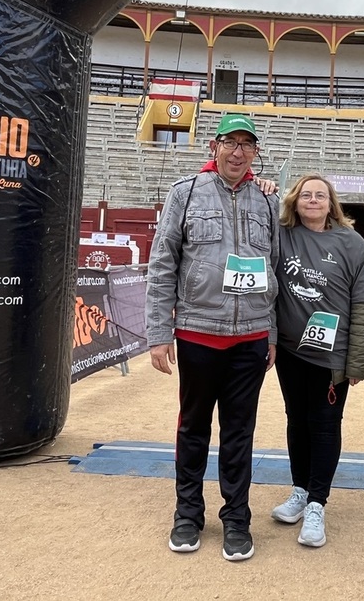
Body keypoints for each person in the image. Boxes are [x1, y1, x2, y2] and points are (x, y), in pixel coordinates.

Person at [145, 112, 279, 562]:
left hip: (252, 337)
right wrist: (159, 332)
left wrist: (273, 333)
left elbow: (273, 270)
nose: (237, 151)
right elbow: (163, 264)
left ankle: (237, 518)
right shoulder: (184, 194)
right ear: (213, 146)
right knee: (193, 427)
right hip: (199, 333)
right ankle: (188, 513)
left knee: (240, 432)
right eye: (230, 142)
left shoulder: (266, 202)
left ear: (255, 153)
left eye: (247, 144)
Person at [269, 174, 364, 549]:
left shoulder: (353, 244)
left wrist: (358, 361)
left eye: (320, 195)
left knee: (325, 426)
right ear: (294, 201)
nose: (313, 200)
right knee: (296, 421)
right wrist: (265, 186)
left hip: (331, 357)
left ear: (332, 203)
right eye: (305, 195)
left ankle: (317, 503)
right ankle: (300, 491)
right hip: (290, 351)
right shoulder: (281, 235)